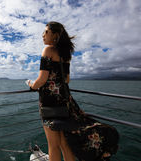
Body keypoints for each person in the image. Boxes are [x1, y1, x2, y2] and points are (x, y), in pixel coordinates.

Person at [28, 21, 119, 161]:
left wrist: (31, 84)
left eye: (46, 32)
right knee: (65, 144)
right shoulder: (66, 55)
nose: (42, 35)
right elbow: (66, 80)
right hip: (65, 102)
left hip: (49, 103)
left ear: (56, 36)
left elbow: (41, 80)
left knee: (53, 145)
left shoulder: (48, 50)